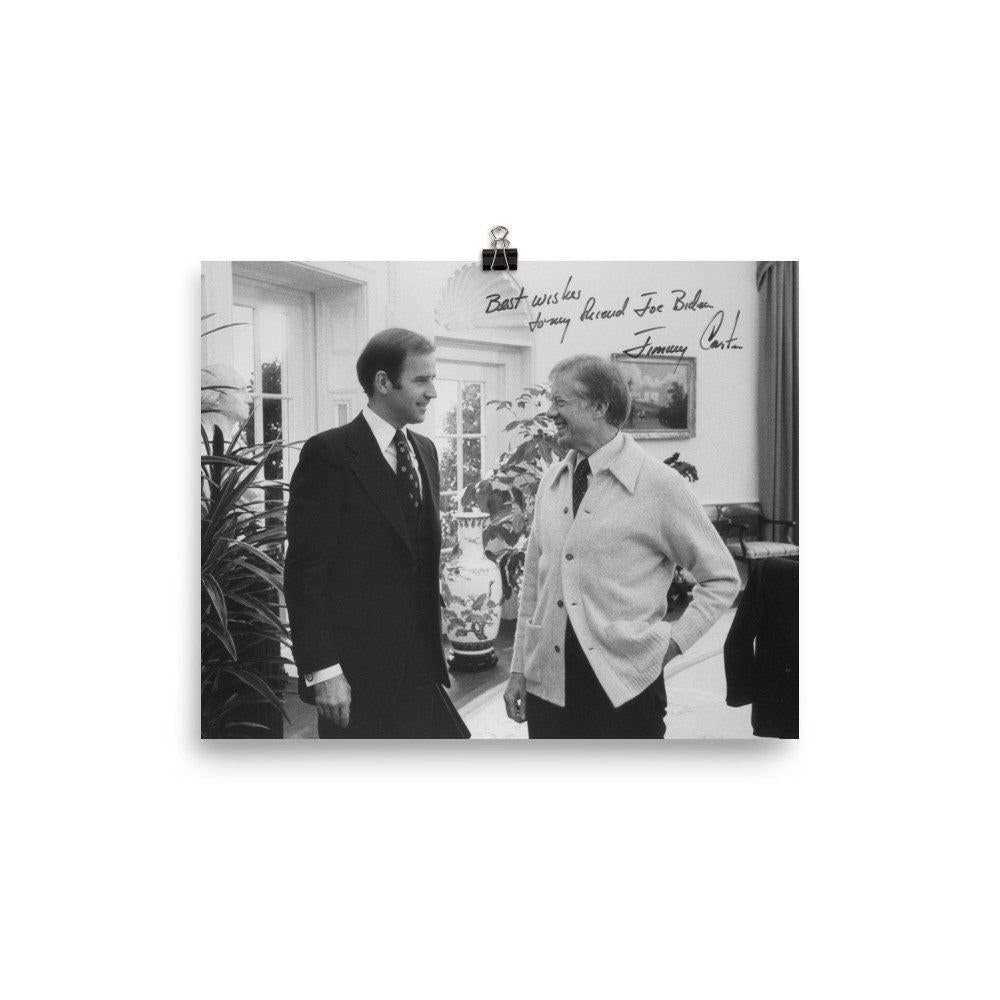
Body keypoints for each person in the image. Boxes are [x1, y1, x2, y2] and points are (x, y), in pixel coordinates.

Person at [504, 355, 740, 738]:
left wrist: (672, 644)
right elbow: (533, 582)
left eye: (560, 402)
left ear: (598, 406)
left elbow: (722, 579)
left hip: (626, 689)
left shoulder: (660, 485)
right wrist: (519, 669)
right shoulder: (552, 480)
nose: (550, 412)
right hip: (548, 685)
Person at [284, 328, 469, 739]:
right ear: (383, 382)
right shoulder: (328, 454)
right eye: (421, 380)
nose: (433, 392)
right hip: (354, 680)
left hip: (421, 675)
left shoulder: (426, 450)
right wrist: (325, 671)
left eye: (433, 379)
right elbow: (304, 576)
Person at [724, 556, 799, 738]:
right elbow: (738, 641)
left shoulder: (770, 573)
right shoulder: (772, 573)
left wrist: (745, 692)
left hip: (784, 707)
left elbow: (738, 640)